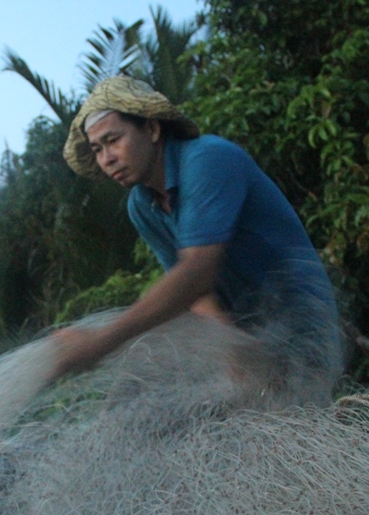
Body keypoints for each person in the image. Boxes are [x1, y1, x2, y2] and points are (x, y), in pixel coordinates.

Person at [51, 75, 339, 380]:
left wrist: (99, 343)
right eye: (97, 149)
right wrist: (236, 353)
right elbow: (195, 292)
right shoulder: (141, 205)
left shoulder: (207, 159)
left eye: (113, 140)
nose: (107, 159)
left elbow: (195, 274)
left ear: (151, 128)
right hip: (247, 332)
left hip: (302, 329)